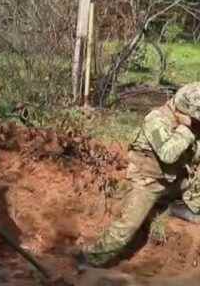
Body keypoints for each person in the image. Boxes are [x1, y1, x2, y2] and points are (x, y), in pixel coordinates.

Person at [80, 82, 200, 267]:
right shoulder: (156, 119)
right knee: (126, 227)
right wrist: (186, 130)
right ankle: (92, 259)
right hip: (147, 181)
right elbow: (168, 154)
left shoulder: (190, 120)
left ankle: (184, 205)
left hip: (174, 177)